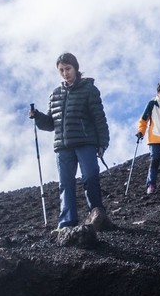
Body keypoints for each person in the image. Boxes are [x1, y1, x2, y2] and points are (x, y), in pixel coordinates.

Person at [29, 53, 110, 227]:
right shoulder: (55, 94)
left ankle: (97, 216)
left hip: (86, 142)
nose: (65, 73)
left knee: (90, 177)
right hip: (62, 146)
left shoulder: (89, 89)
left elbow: (99, 118)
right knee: (65, 184)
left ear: (75, 68)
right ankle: (67, 222)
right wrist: (38, 117)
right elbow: (51, 124)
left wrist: (103, 142)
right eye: (61, 70)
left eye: (68, 69)